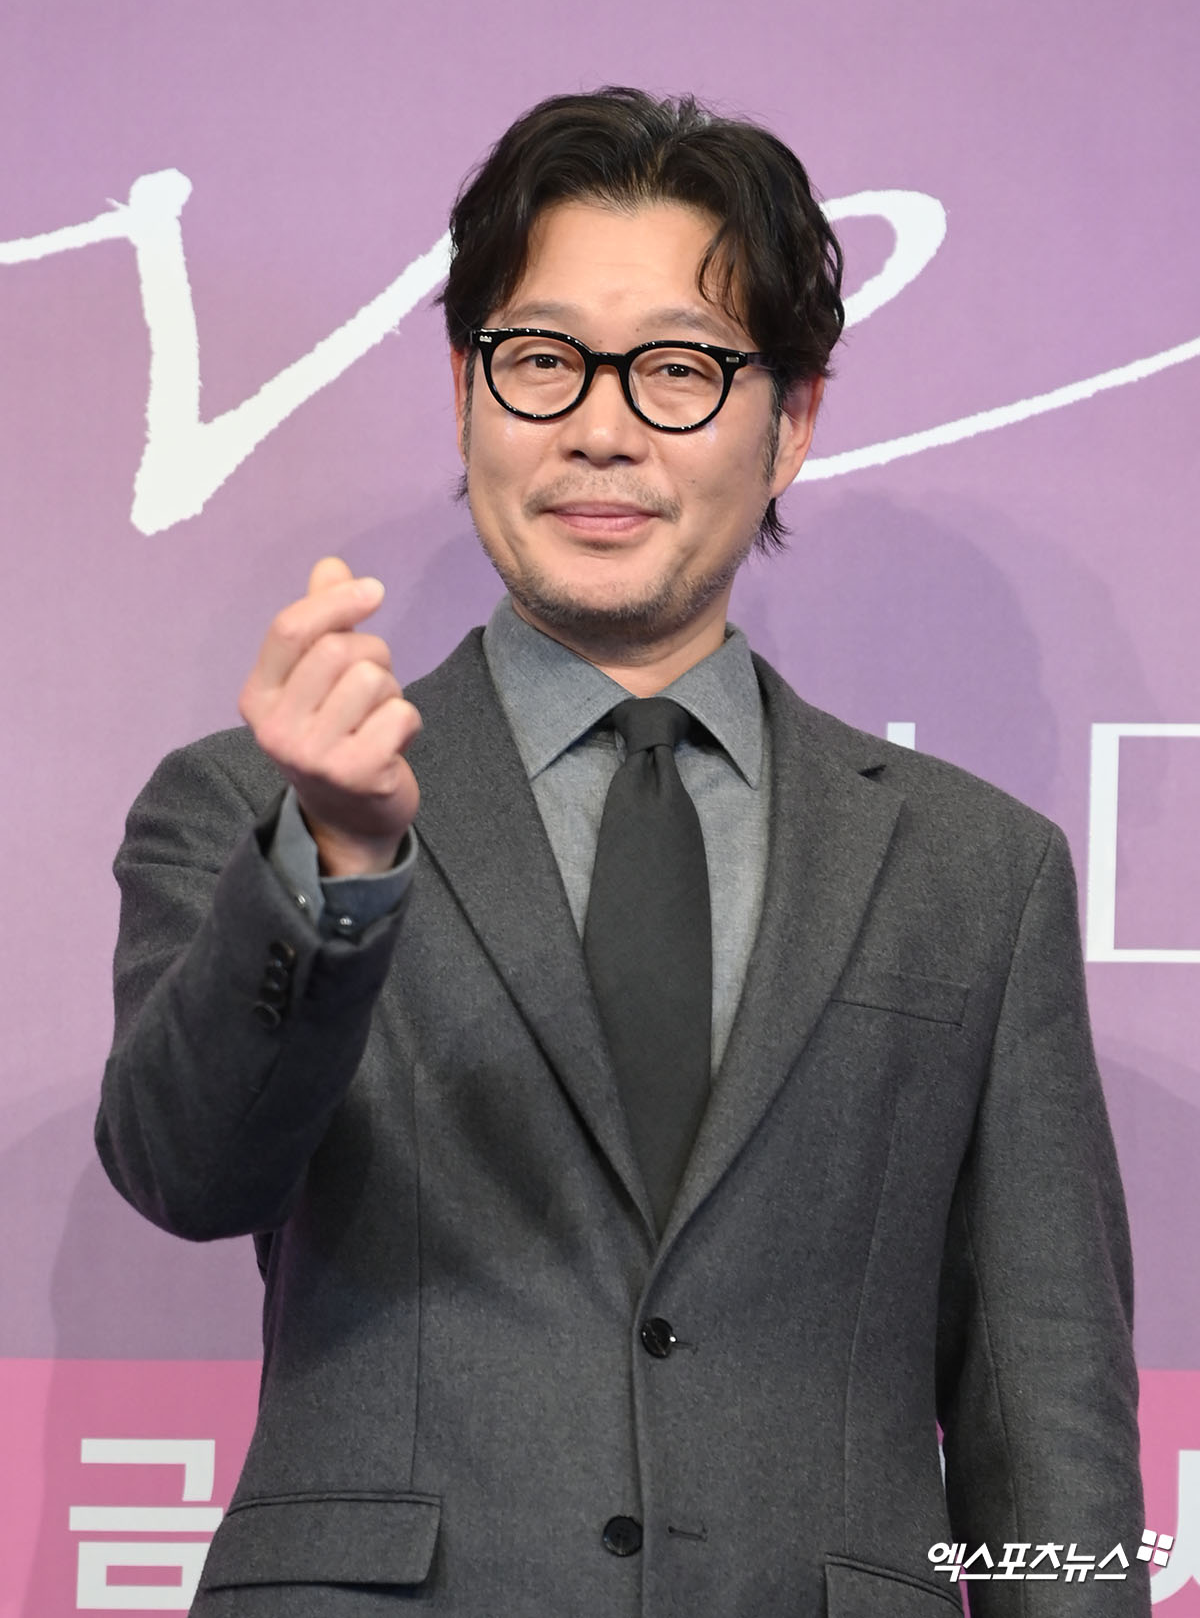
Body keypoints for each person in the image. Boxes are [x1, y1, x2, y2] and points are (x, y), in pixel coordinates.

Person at [97, 88, 1149, 1616]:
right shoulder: (253, 808)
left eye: (677, 368)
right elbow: (190, 1172)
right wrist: (334, 866)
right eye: (541, 360)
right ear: (464, 388)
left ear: (792, 420)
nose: (600, 428)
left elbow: (1049, 1412)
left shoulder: (976, 872)